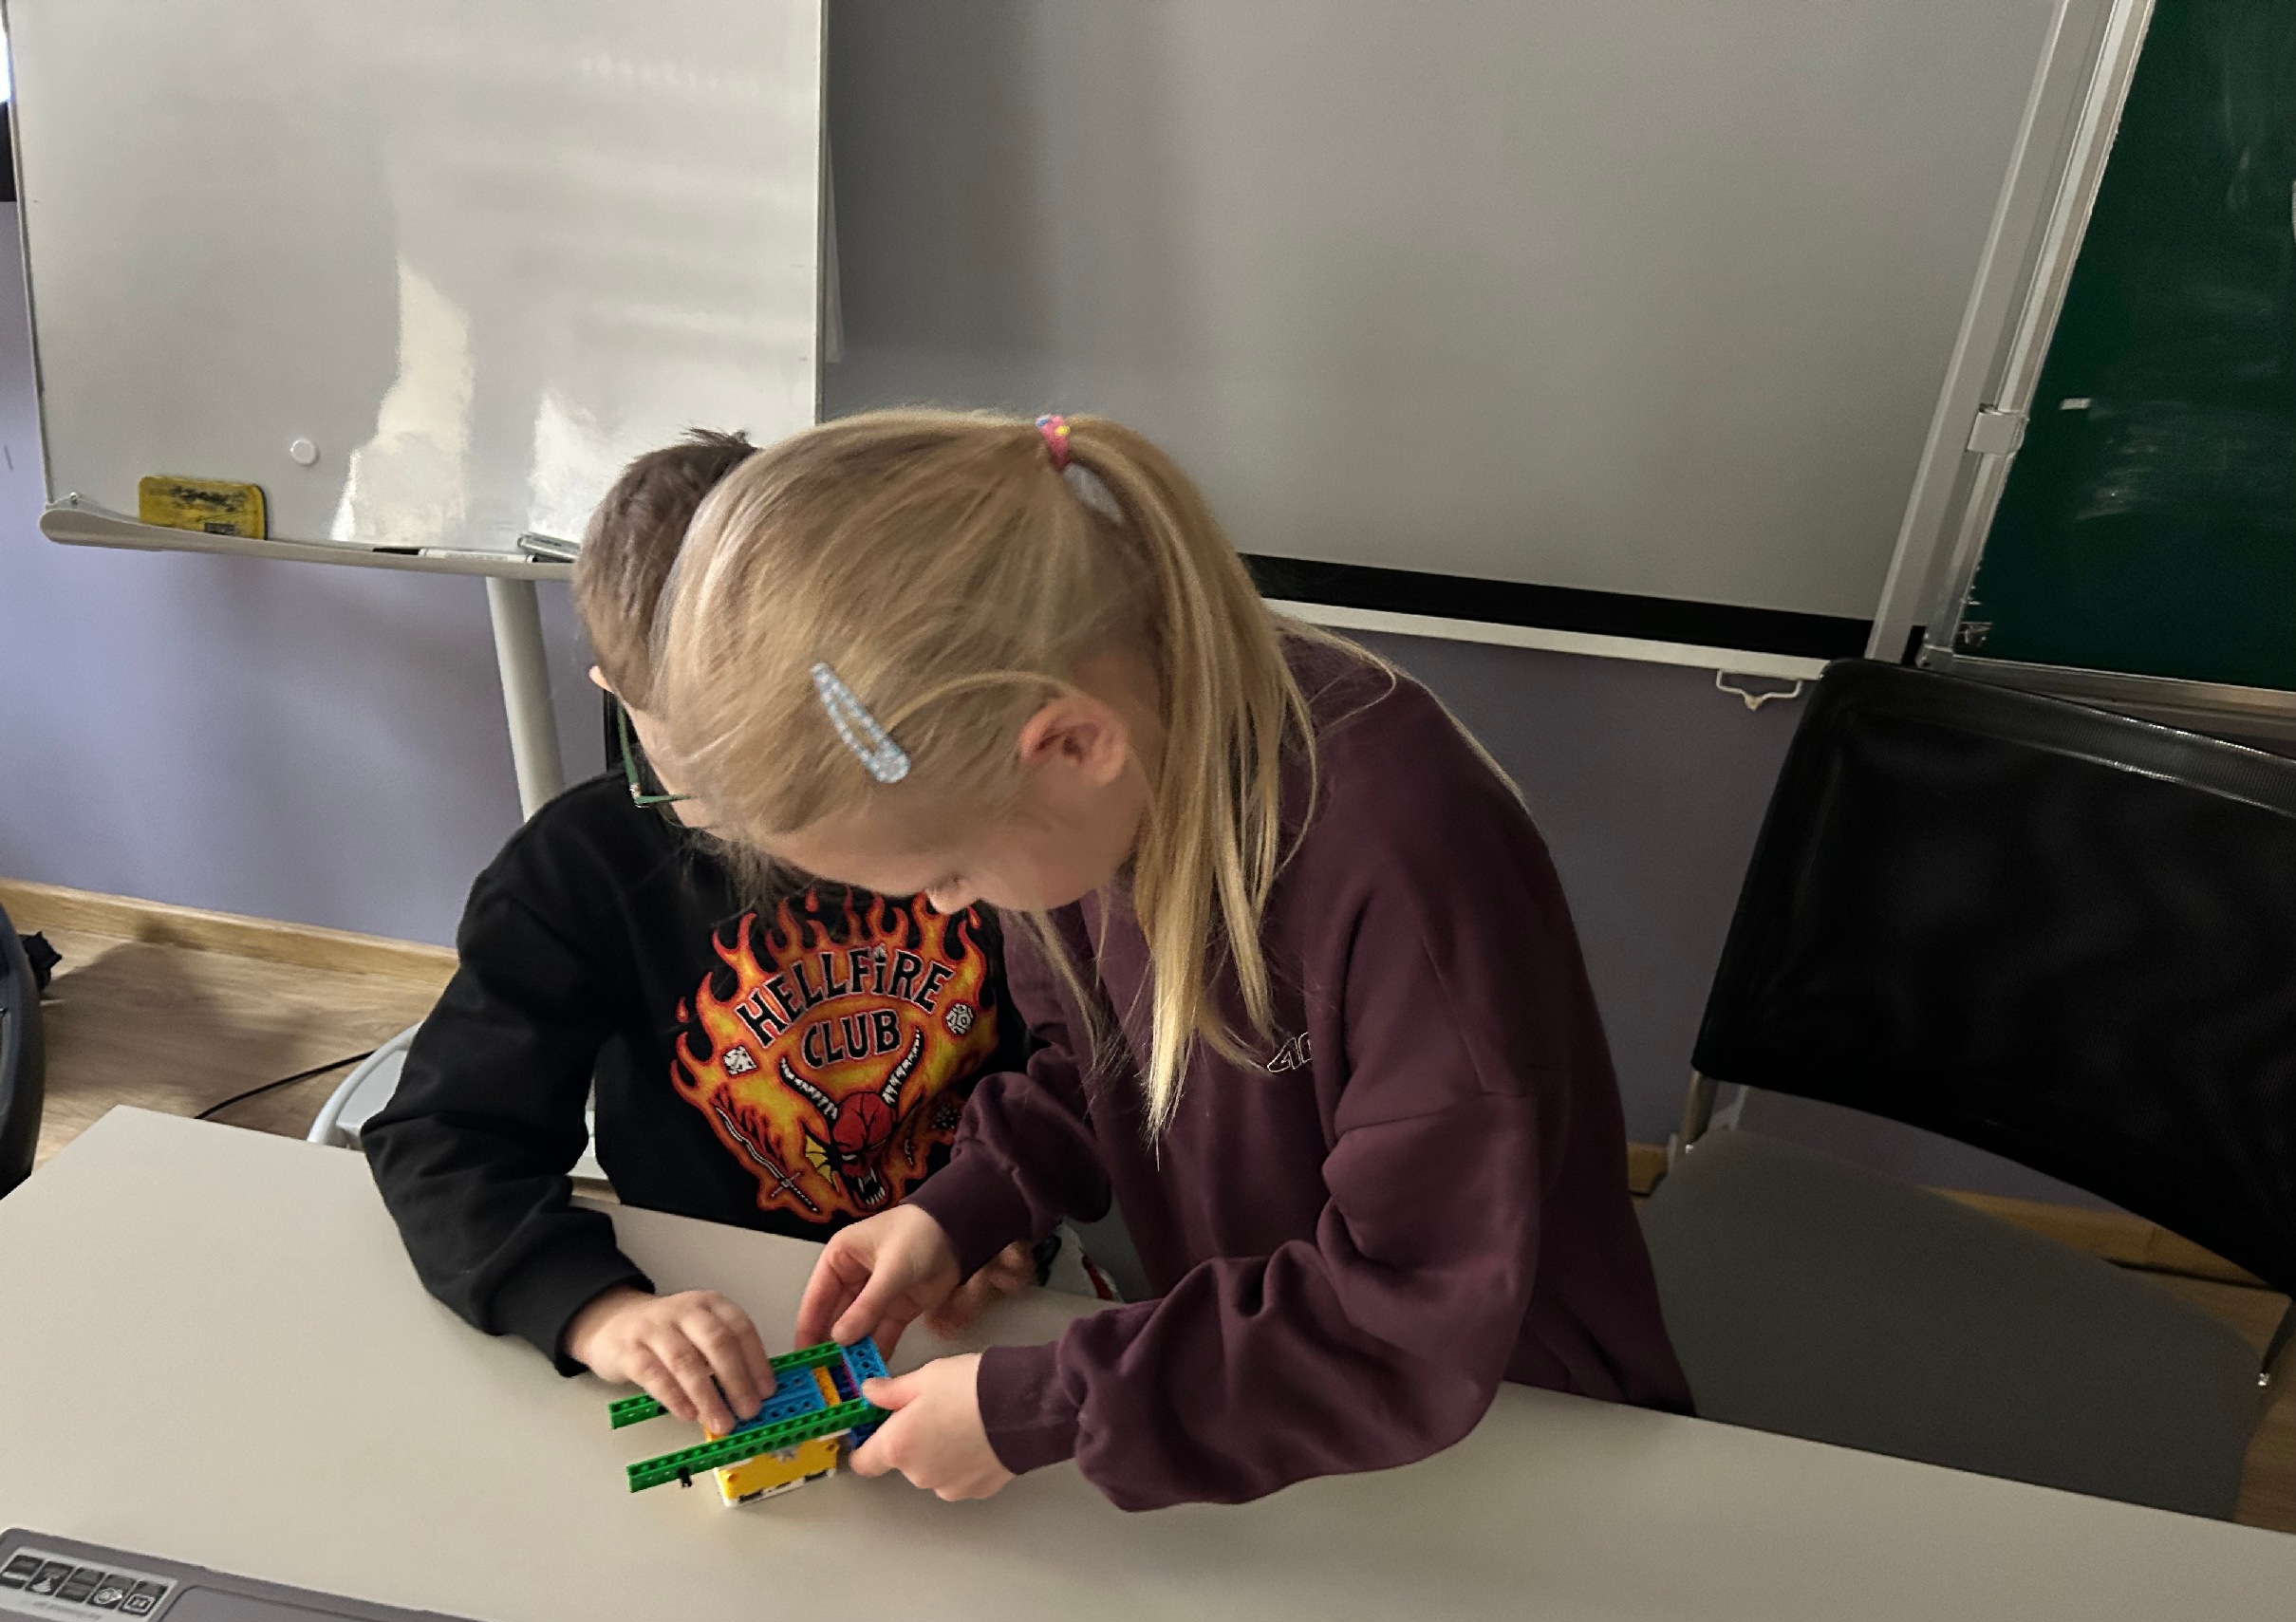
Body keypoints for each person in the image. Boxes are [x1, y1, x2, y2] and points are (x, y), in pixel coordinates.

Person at [647, 408, 1693, 1510]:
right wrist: (965, 1204)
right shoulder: (1067, 797)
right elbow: (1089, 1060)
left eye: (948, 871)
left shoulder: (1404, 845)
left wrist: (1049, 1404)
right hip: (1261, 1402)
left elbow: (1415, 1314)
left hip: (1505, 1426)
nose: (949, 907)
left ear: (1072, 742)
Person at [363, 431, 1037, 1442]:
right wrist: (595, 1309)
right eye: (712, 779)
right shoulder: (577, 870)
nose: (769, 824)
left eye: (790, 765)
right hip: (725, 1293)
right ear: (618, 696)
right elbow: (444, 1137)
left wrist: (999, 1205)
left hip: (969, 1304)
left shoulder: (987, 827)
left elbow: (1080, 1070)